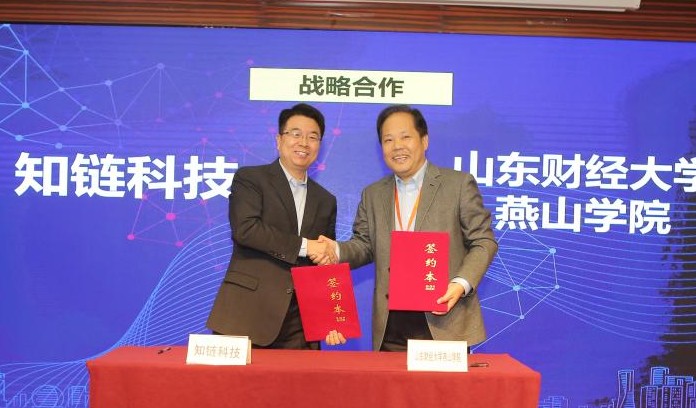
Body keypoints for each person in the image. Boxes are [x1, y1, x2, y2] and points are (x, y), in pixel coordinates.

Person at [315, 105, 497, 351]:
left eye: (405, 137)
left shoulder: (458, 184)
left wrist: (460, 283)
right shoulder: (373, 194)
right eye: (388, 140)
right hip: (391, 327)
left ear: (424, 140)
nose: (397, 146)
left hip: (444, 321)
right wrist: (335, 250)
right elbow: (365, 245)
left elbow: (484, 241)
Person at [206, 103, 337, 348]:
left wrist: (330, 318)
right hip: (246, 315)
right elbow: (246, 230)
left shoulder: (326, 200)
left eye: (313, 137)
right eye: (295, 134)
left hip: (300, 326)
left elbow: (324, 263)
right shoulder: (250, 178)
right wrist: (305, 246)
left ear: (320, 145)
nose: (304, 143)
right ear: (279, 140)